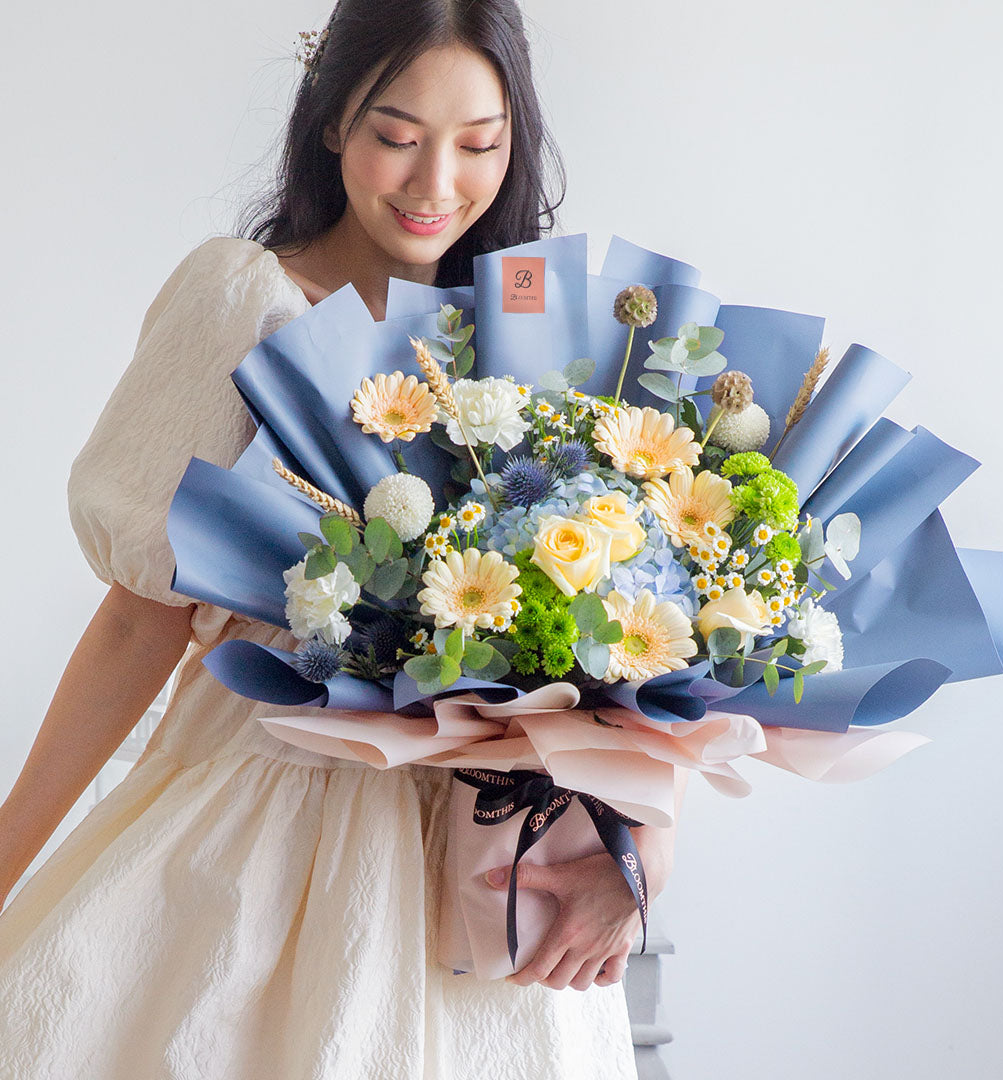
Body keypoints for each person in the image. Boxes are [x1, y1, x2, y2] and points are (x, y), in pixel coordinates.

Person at [0, 2, 686, 1076]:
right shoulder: (247, 300)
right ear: (331, 121)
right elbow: (140, 619)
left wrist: (642, 853)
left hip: (483, 859)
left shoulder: (535, 333)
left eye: (477, 145)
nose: (433, 185)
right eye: (396, 135)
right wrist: (6, 863)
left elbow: (636, 655)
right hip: (266, 822)